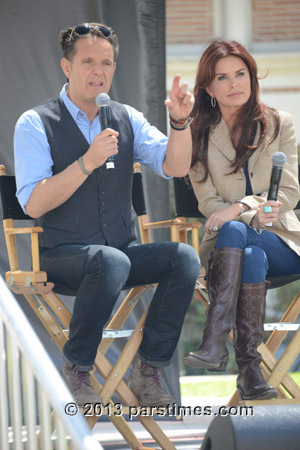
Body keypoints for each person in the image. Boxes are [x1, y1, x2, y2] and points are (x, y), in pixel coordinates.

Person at [14, 22, 200, 408]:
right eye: (88, 62)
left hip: (118, 254)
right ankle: (77, 370)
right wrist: (87, 162)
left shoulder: (126, 117)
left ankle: (148, 371)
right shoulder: (34, 123)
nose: (99, 71)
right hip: (60, 258)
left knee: (183, 258)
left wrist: (180, 123)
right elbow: (33, 205)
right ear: (67, 67)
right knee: (110, 261)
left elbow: (176, 166)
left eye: (107, 62)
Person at [183, 38, 300, 401]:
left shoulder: (280, 124)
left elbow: (291, 193)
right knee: (250, 255)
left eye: (241, 74)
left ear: (251, 78)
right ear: (208, 87)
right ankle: (250, 370)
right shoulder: (197, 133)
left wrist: (240, 207)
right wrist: (241, 212)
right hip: (232, 250)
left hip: (281, 239)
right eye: (223, 77)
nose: (235, 83)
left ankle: (215, 338)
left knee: (235, 227)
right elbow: (207, 201)